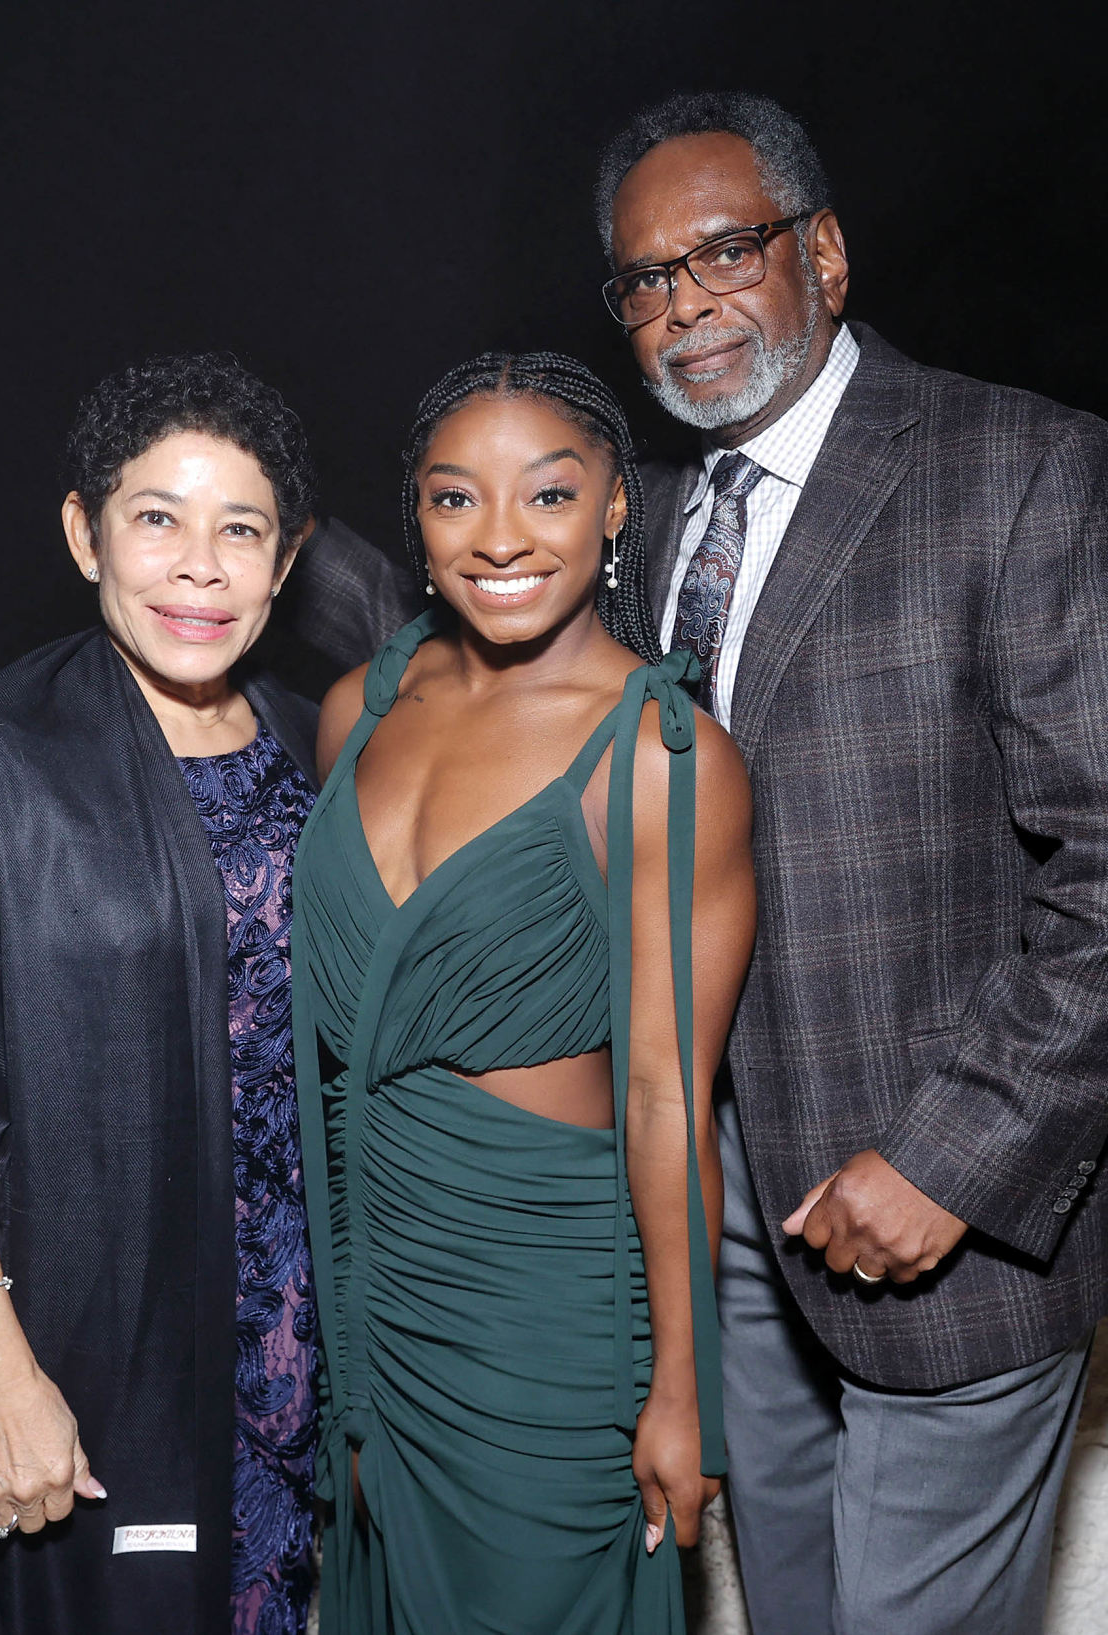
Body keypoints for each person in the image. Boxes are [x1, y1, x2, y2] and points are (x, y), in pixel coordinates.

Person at [591, 93, 1108, 1635]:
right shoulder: (643, 514)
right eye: (646, 281)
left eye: (724, 253)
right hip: (723, 1204)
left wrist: (956, 1152)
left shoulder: (1018, 466)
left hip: (945, 1199)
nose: (685, 306)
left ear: (824, 252)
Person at [0, 353, 402, 1635]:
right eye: (157, 518)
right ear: (83, 532)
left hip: (290, 1355)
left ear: (289, 557)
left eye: (241, 529)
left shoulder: (321, 743)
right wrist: (0, 1375)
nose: (199, 567)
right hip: (79, 1351)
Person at [289, 352, 757, 1633]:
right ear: (418, 517)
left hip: (547, 1319)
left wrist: (682, 1390)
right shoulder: (358, 709)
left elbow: (669, 1098)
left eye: (547, 496)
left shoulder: (663, 758)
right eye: (455, 499)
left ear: (616, 505)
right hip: (375, 1297)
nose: (498, 539)